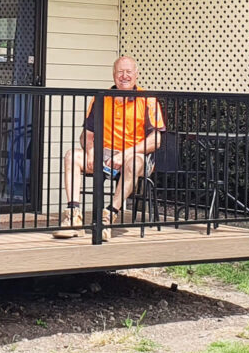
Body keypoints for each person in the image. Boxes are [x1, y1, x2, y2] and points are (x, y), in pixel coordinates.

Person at [53, 56, 165, 240]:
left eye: (129, 72)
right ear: (113, 75)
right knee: (71, 156)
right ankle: (73, 217)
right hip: (104, 152)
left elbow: (156, 140)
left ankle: (108, 217)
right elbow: (88, 134)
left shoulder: (148, 100)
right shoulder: (101, 98)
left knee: (134, 163)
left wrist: (126, 154)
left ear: (136, 74)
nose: (124, 76)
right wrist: (90, 151)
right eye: (120, 72)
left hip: (134, 153)